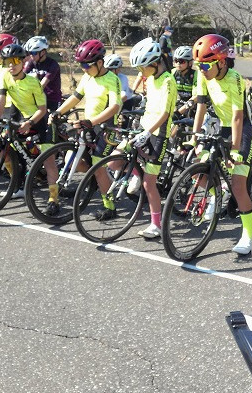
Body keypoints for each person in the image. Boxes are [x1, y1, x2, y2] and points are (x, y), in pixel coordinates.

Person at [191, 33, 252, 255]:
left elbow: (238, 117)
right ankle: (216, 194)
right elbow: (201, 107)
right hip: (222, 126)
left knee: (238, 185)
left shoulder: (235, 78)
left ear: (220, 62)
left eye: (205, 66)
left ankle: (248, 234)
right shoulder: (203, 75)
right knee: (198, 171)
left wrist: (235, 150)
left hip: (241, 129)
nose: (201, 70)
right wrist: (194, 136)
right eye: (198, 65)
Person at [0, 43, 58, 208]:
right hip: (21, 119)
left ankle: (54, 199)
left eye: (15, 61)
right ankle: (18, 183)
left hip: (39, 120)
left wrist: (30, 122)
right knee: (3, 148)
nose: (11, 65)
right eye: (7, 62)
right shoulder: (5, 77)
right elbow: (0, 100)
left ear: (23, 62)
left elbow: (42, 109)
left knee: (48, 160)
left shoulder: (33, 82)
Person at [51, 39, 122, 220]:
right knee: (73, 160)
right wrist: (59, 112)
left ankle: (110, 207)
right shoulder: (87, 77)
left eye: (87, 65)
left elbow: (114, 107)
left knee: (98, 167)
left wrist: (92, 121)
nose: (83, 69)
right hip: (89, 125)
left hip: (106, 128)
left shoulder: (112, 79)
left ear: (100, 62)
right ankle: (97, 179)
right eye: (81, 65)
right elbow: (76, 97)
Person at [123, 38, 177, 241]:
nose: (141, 72)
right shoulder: (151, 78)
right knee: (115, 160)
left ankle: (156, 225)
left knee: (149, 184)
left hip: (158, 135)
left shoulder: (168, 81)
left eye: (142, 68)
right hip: (144, 128)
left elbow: (165, 113)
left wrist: (148, 132)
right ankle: (137, 171)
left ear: (155, 63)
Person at [23, 35, 62, 113]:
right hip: (38, 98)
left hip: (52, 99)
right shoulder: (31, 62)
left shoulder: (53, 65)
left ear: (43, 52)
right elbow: (22, 77)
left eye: (34, 53)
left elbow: (42, 85)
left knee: (50, 119)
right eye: (29, 53)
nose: (31, 55)